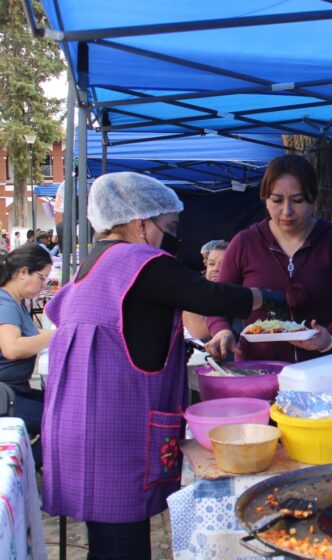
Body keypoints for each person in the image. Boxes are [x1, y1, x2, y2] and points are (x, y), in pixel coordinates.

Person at [41, 172, 286, 559]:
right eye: (167, 227)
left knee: (104, 542)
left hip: (76, 424)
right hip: (113, 432)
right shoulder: (140, 260)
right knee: (123, 547)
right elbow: (206, 294)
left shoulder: (90, 265)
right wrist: (266, 296)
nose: (170, 238)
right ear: (141, 223)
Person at [205, 155, 332, 363]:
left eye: (297, 200)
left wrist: (329, 338)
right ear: (265, 199)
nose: (287, 211)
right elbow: (218, 302)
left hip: (327, 368)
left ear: (314, 199)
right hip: (261, 368)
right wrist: (221, 330)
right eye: (277, 200)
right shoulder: (245, 243)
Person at [0, 244, 55, 466]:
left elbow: (30, 334)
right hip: (6, 395)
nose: (44, 285)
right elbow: (12, 348)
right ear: (23, 272)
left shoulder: (15, 302)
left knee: (62, 407)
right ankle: (20, 473)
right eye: (42, 278)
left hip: (15, 390)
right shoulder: (6, 303)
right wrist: (56, 336)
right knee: (60, 423)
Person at [183, 239, 228, 340]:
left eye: (223, 265)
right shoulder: (192, 292)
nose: (216, 268)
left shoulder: (241, 290)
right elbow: (199, 332)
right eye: (212, 264)